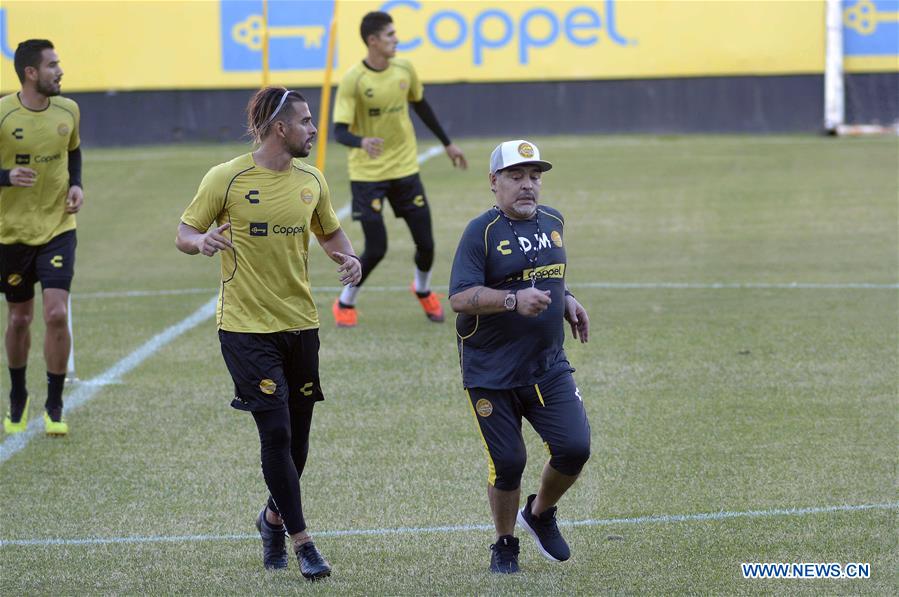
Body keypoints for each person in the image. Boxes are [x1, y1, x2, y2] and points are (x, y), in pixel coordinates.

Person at [176, 87, 361, 580]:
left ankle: (271, 519)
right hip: (245, 328)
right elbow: (184, 232)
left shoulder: (312, 179)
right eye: (305, 122)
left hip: (301, 324)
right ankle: (303, 543)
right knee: (275, 432)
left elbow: (329, 232)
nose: (313, 129)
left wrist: (350, 258)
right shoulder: (227, 177)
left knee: (298, 441)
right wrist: (202, 241)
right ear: (280, 128)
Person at [448, 140, 591, 573]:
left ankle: (540, 513)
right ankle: (505, 542)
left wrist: (567, 300)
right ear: (494, 182)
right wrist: (512, 301)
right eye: (515, 176)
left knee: (575, 447)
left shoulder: (553, 221)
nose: (527, 186)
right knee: (509, 462)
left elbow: (548, 273)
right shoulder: (481, 232)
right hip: (491, 371)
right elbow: (459, 297)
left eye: (534, 176)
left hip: (547, 365)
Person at [330, 10, 467, 328]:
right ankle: (345, 302)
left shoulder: (405, 68)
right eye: (391, 35)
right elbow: (339, 131)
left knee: (427, 243)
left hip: (405, 170)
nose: (397, 39)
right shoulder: (354, 80)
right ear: (373, 40)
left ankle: (422, 289)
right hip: (368, 177)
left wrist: (447, 143)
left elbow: (420, 104)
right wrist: (361, 142)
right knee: (376, 248)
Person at [1, 39, 83, 437]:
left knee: (54, 313)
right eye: (53, 64)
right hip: (11, 234)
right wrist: (6, 177)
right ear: (31, 73)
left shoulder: (69, 110)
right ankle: (18, 395)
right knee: (20, 318)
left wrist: (77, 186)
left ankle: (54, 403)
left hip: (58, 229)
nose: (60, 70)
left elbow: (74, 152)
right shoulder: (2, 114)